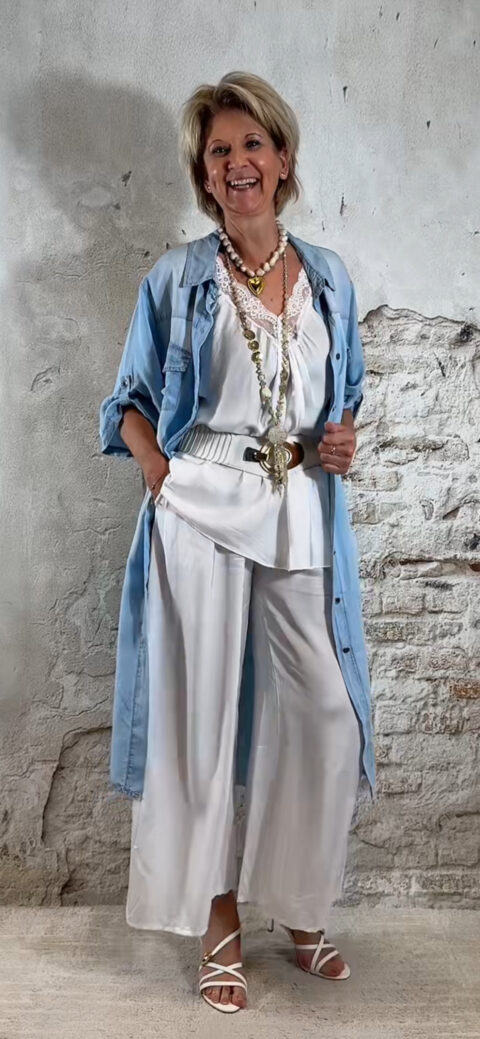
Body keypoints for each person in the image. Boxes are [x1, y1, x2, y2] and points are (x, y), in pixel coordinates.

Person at [99, 70, 376, 1015]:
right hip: (200, 506)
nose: (237, 162)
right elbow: (127, 402)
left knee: (326, 713)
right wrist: (159, 472)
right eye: (219, 151)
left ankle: (299, 905)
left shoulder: (328, 275)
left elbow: (345, 401)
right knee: (201, 718)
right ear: (204, 175)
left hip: (298, 507)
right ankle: (218, 917)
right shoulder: (177, 278)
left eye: (253, 144)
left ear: (283, 159)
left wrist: (339, 440)